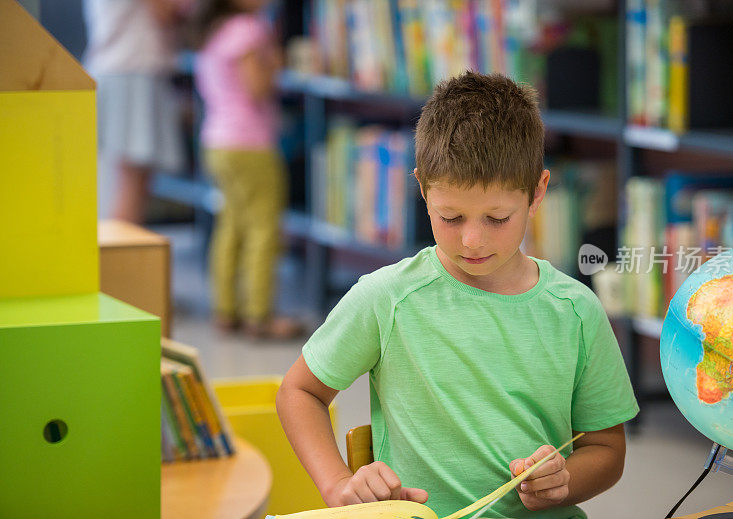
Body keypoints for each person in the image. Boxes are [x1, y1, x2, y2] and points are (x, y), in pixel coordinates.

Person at [276, 71, 639, 519]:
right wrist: (336, 485)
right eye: (450, 217)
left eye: (497, 218)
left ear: (538, 192)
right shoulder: (387, 297)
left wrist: (563, 482)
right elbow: (299, 392)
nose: (472, 240)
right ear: (422, 189)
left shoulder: (577, 311)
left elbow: (606, 449)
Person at [194, 0, 301, 338]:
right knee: (263, 227)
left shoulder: (215, 32)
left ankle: (226, 309)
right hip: (249, 143)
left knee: (232, 224)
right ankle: (259, 315)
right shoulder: (248, 30)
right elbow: (256, 87)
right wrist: (275, 63)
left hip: (217, 141)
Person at [83, 0, 186, 223]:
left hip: (115, 69)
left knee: (115, 180)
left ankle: (115, 254)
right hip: (132, 70)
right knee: (130, 180)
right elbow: (165, 12)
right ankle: (117, 257)